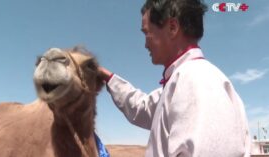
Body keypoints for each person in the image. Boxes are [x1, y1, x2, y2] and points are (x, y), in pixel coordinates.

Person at [99, 0, 251, 156]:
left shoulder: (197, 80)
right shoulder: (182, 82)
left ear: (172, 28)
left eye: (146, 33)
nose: (145, 44)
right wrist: (108, 77)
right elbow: (141, 107)